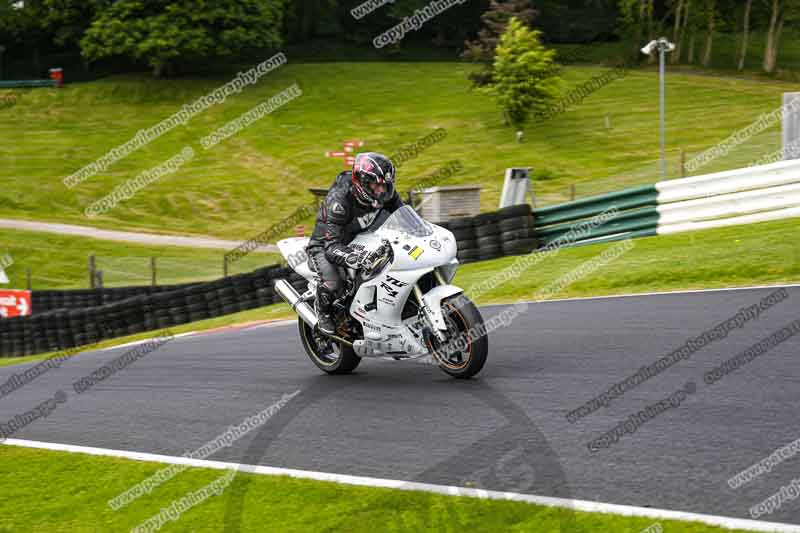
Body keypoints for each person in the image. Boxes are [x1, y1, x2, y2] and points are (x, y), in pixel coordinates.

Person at [306, 152, 403, 335]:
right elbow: (331, 246)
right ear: (363, 182)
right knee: (334, 283)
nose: (381, 190)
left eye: (385, 185)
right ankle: (323, 312)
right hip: (325, 245)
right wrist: (353, 257)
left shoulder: (384, 193)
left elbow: (404, 213)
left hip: (360, 237)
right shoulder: (339, 202)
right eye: (376, 185)